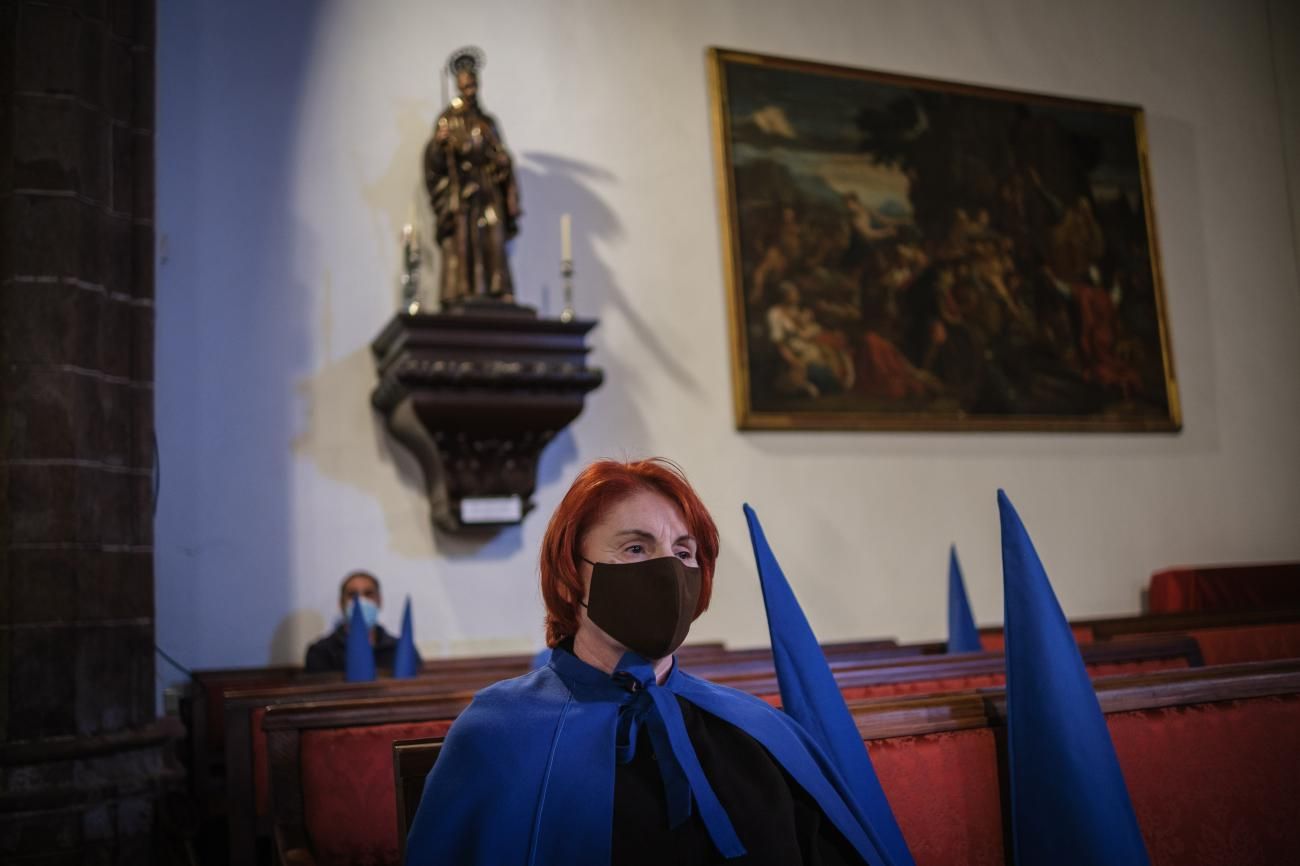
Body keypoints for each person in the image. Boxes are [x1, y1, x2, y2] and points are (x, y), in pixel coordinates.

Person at [405, 458, 886, 865]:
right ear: (573, 575)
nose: (669, 571)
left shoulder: (755, 731)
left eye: (684, 551)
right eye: (636, 548)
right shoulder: (496, 735)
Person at [424, 47, 520, 305]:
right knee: (465, 240)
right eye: (465, 87)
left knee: (494, 232)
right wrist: (438, 145)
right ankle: (463, 291)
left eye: (474, 86)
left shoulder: (487, 121)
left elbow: (500, 153)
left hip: (488, 187)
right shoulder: (447, 120)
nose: (470, 91)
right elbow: (434, 164)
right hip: (463, 190)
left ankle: (499, 289)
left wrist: (502, 161)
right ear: (458, 86)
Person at [303, 571, 420, 672]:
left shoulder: (401, 649)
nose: (361, 601)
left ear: (379, 601)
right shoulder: (321, 652)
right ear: (341, 603)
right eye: (352, 595)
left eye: (368, 594)